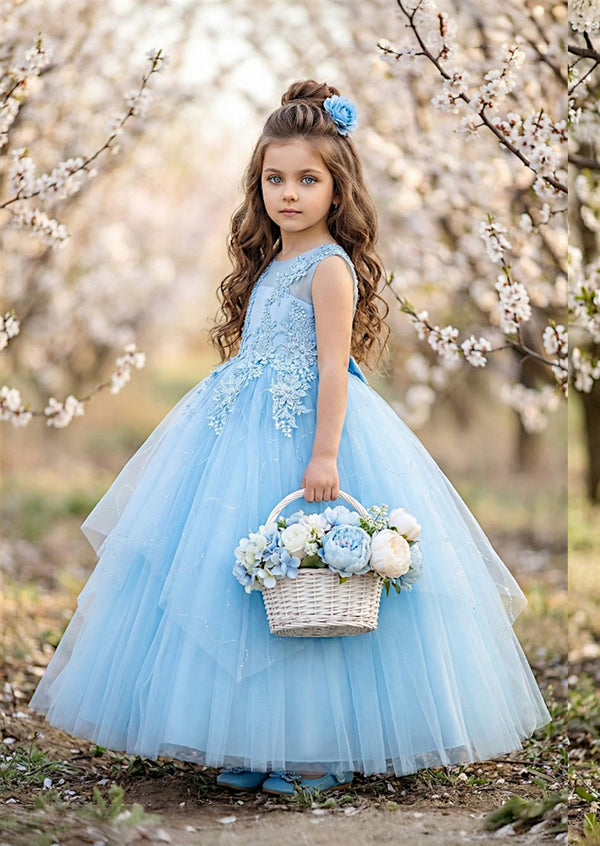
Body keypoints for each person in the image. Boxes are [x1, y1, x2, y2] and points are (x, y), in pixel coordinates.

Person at [28, 79, 552, 798]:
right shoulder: (269, 262)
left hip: (308, 434)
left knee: (312, 582)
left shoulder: (331, 268)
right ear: (259, 186)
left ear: (338, 190)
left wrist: (326, 453)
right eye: (275, 179)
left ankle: (315, 747)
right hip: (235, 433)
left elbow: (335, 371)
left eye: (308, 179)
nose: (290, 193)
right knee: (244, 582)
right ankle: (249, 732)